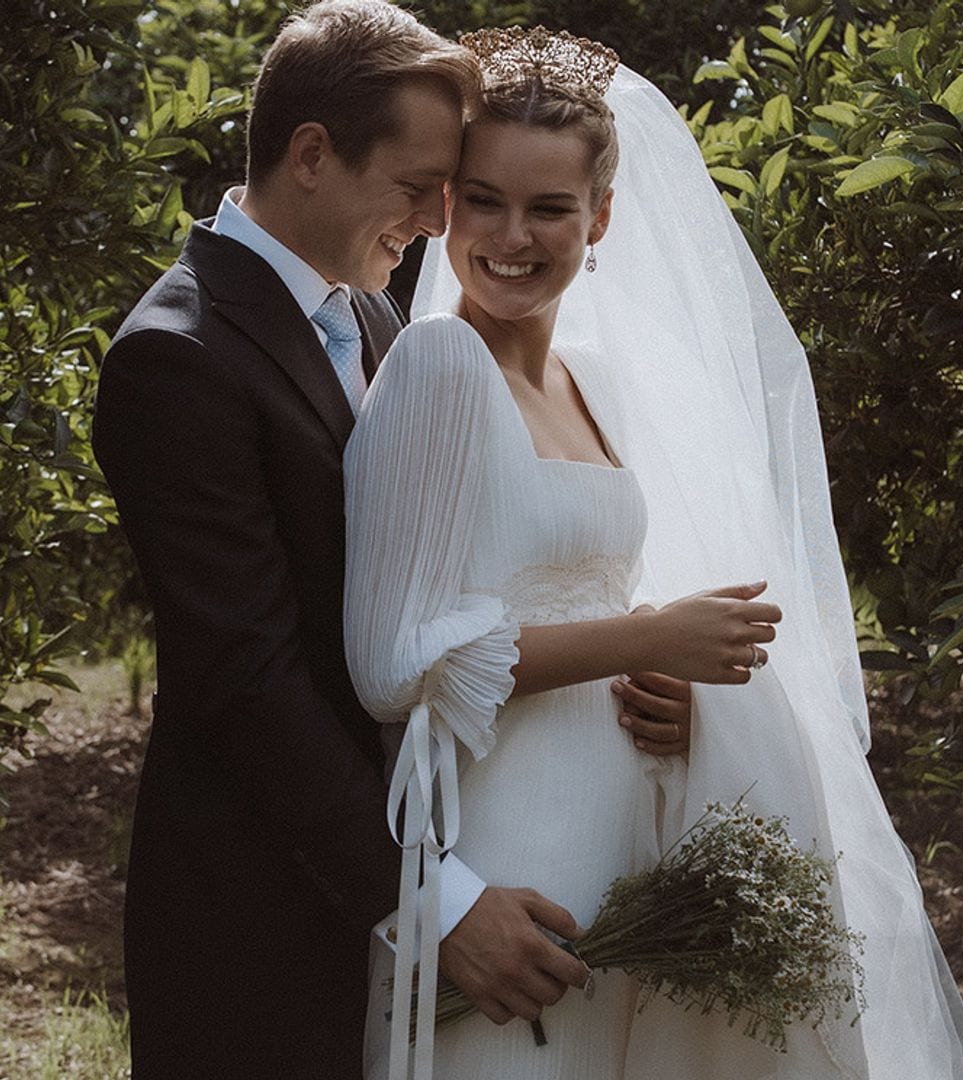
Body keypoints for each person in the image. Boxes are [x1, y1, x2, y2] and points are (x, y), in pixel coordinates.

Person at [344, 26, 963, 1080]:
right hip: (511, 850)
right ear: (446, 205)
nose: (513, 235)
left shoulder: (595, 381)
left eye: (551, 207)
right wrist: (642, 635)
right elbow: (393, 665)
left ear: (600, 218)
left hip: (634, 851)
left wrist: (690, 698)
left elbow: (582, 595)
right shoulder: (435, 364)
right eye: (485, 200)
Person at [92, 4, 664, 1075]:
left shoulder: (375, 321)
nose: (440, 220)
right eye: (421, 187)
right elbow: (246, 680)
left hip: (427, 844)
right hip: (263, 908)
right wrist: (438, 904)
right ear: (313, 155)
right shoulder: (177, 358)